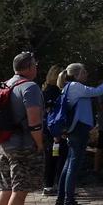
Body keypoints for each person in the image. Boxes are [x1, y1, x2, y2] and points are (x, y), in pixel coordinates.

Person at [0, 52, 44, 205]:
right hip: (22, 146)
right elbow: (34, 122)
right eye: (35, 64)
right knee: (19, 190)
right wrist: (39, 143)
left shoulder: (6, 84)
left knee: (5, 189)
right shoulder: (30, 87)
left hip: (2, 145)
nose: (37, 68)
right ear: (30, 67)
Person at [55, 64, 103, 205]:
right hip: (79, 129)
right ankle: (69, 201)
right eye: (84, 72)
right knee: (74, 164)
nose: (86, 74)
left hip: (74, 129)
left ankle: (61, 197)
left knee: (69, 163)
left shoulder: (68, 86)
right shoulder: (76, 87)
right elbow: (98, 91)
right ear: (77, 74)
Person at [41, 65, 66, 196]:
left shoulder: (46, 90)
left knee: (52, 157)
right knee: (56, 157)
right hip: (54, 131)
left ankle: (50, 185)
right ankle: (55, 185)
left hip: (48, 130)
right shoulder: (54, 91)